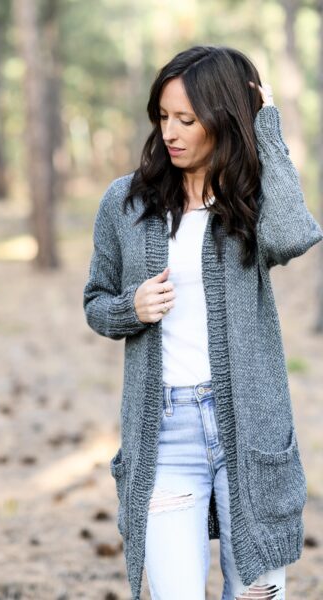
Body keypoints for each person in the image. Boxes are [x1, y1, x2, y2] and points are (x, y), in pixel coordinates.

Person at [83, 45, 323, 600]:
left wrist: (268, 129)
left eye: (187, 120)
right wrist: (130, 308)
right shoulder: (125, 202)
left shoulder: (251, 201)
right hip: (166, 432)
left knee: (258, 593)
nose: (170, 132)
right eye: (163, 117)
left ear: (224, 118)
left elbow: (293, 236)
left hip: (251, 428)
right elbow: (96, 301)